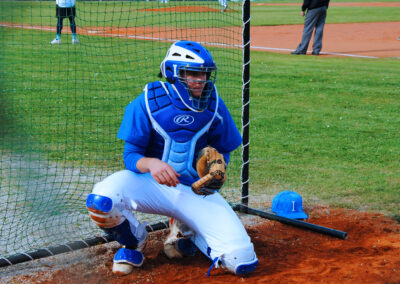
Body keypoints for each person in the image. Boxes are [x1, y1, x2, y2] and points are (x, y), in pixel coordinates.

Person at [86, 41, 258, 277]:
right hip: (150, 184)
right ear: (173, 73)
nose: (201, 80)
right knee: (101, 201)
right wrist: (151, 164)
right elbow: (131, 155)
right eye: (194, 74)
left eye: (205, 74)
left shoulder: (214, 104)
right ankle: (133, 243)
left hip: (194, 190)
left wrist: (218, 167)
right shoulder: (148, 102)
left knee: (242, 261)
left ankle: (186, 230)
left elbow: (224, 148)